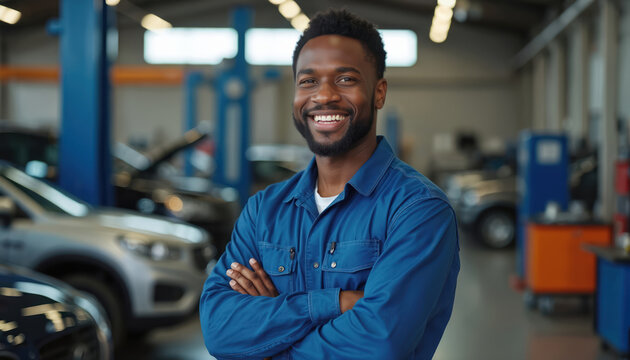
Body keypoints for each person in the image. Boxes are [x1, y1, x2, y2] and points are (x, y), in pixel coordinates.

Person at [200, 8, 460, 359]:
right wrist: (335, 303)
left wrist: (269, 333)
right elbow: (219, 329)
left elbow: (380, 344)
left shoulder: (417, 210)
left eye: (345, 79)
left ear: (379, 93)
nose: (323, 96)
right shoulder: (265, 210)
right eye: (307, 81)